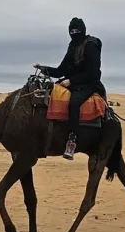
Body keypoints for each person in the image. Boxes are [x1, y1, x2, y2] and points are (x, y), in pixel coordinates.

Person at [34, 17, 105, 160]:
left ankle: (72, 141)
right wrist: (43, 69)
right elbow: (60, 71)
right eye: (71, 31)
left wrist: (71, 81)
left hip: (89, 84)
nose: (74, 33)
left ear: (82, 30)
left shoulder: (91, 45)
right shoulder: (72, 46)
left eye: (76, 30)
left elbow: (93, 73)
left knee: (73, 104)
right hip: (72, 83)